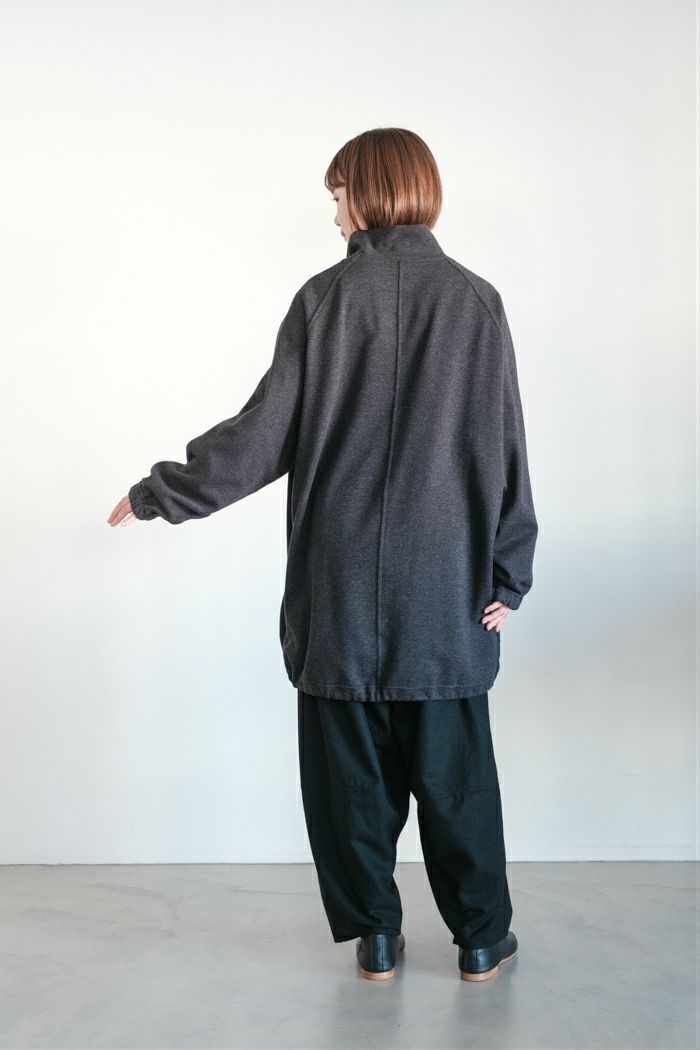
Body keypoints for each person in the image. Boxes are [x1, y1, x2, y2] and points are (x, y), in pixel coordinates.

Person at [107, 127, 538, 982]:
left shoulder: (323, 301)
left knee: (349, 784)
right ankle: (482, 940)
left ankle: (375, 938)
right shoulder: (477, 302)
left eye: (339, 194)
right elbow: (506, 447)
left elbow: (260, 436)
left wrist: (164, 490)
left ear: (370, 193)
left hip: (339, 590)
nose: (334, 213)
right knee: (455, 781)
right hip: (446, 591)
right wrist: (507, 573)